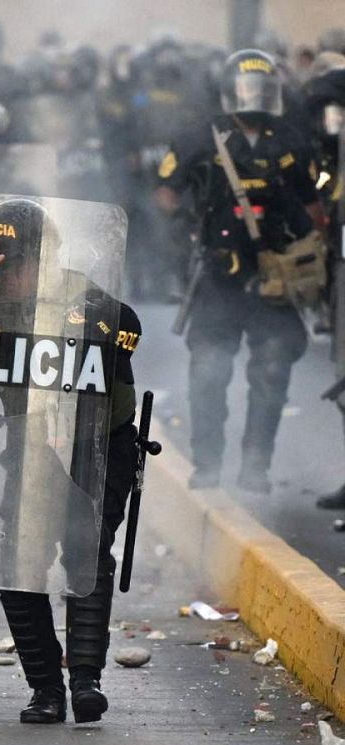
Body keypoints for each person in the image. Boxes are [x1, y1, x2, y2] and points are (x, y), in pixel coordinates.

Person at [0, 199, 142, 723]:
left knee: (87, 553)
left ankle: (85, 683)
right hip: (30, 450)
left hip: (95, 450)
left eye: (14, 262)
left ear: (44, 257)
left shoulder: (83, 299)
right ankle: (44, 690)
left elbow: (127, 327)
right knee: (18, 562)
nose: (4, 275)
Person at [155, 49, 327, 493]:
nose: (254, 96)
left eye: (262, 88)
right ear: (229, 90)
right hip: (217, 275)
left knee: (271, 372)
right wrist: (186, 232)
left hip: (274, 276)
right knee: (209, 373)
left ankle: (256, 466)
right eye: (246, 87)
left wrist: (305, 249)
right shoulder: (201, 136)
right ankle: (208, 464)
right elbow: (167, 192)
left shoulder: (289, 139)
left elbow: (312, 204)